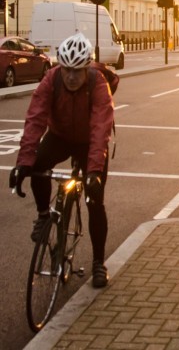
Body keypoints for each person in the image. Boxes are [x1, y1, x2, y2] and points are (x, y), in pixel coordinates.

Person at [8, 32, 115, 288]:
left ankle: (99, 263)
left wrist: (94, 173)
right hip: (60, 136)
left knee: (94, 201)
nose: (71, 76)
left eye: (77, 71)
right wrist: (23, 163)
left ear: (86, 68)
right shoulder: (51, 80)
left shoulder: (98, 83)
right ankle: (44, 216)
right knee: (36, 166)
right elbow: (35, 119)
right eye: (66, 69)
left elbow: (101, 128)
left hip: (89, 140)